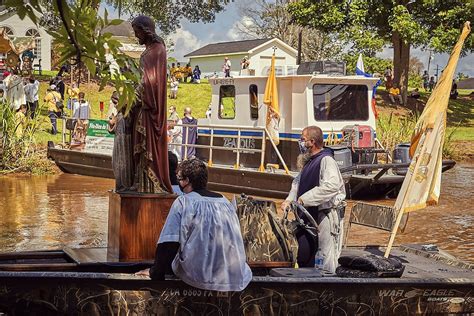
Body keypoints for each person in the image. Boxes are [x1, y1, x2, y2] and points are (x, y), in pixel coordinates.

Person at [137, 159, 252, 291]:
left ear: (186, 181)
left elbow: (169, 243)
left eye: (179, 178)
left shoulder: (184, 202)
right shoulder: (226, 202)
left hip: (197, 277)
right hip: (234, 277)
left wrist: (155, 272)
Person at [281, 126, 345, 273]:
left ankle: (327, 283)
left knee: (325, 255)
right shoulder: (309, 161)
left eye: (303, 139)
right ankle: (306, 278)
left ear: (312, 141)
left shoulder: (326, 160)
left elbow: (331, 185)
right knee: (304, 250)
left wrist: (305, 199)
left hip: (325, 214)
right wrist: (289, 200)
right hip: (307, 216)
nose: (300, 143)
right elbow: (297, 184)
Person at [130, 15, 172, 193]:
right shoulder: (151, 50)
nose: (136, 35)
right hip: (143, 107)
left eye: (137, 31)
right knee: (138, 147)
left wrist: (131, 98)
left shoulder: (156, 50)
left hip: (149, 108)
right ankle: (140, 184)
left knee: (147, 147)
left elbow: (149, 82)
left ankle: (150, 187)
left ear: (145, 30)